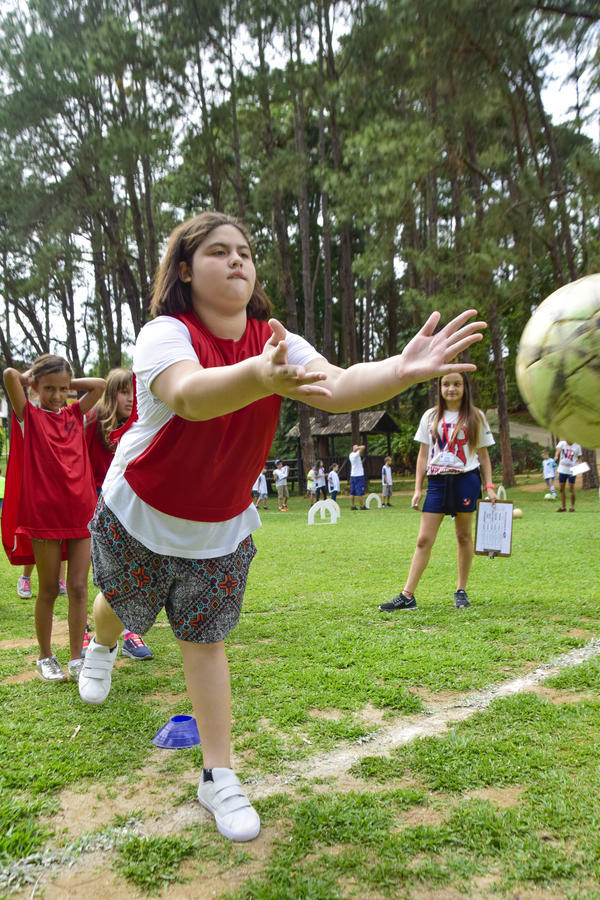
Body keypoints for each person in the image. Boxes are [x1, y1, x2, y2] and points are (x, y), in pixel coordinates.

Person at [75, 210, 485, 844]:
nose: (238, 260)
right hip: (142, 508)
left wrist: (400, 370)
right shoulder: (165, 332)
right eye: (218, 251)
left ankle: (219, 775)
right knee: (123, 606)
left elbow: (342, 385)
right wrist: (260, 377)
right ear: (185, 269)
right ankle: (98, 647)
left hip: (218, 524)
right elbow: (188, 395)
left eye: (245, 250)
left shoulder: (275, 338)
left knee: (204, 640)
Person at [2, 355, 105, 682]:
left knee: (77, 587)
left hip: (81, 510)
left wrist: (66, 381)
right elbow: (8, 375)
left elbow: (101, 386)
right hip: (44, 515)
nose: (58, 396)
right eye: (49, 389)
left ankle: (77, 658)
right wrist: (33, 377)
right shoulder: (27, 415)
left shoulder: (74, 412)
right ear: (34, 387)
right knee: (47, 587)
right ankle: (45, 656)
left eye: (63, 389)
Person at [379, 372, 496, 613]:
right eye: (446, 384)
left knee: (463, 536)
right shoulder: (430, 416)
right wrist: (417, 487)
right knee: (424, 539)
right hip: (437, 482)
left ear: (465, 387)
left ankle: (461, 590)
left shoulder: (476, 416)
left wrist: (490, 487)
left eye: (456, 384)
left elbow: (483, 456)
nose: (451, 388)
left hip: (466, 479)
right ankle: (407, 595)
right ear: (439, 387)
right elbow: (424, 454)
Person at [84, 367, 153, 660]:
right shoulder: (93, 423)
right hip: (98, 500)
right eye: (124, 391)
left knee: (135, 568)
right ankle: (95, 632)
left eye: (134, 392)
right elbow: (80, 464)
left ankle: (130, 631)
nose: (131, 398)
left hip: (133, 503)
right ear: (112, 394)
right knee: (103, 570)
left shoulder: (143, 423)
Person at [554, 438, 582, 512]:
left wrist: (578, 467)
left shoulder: (577, 446)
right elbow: (558, 450)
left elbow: (579, 458)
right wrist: (556, 456)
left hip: (572, 470)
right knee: (561, 488)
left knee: (571, 488)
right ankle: (563, 507)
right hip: (562, 469)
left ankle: (572, 507)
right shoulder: (562, 443)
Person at [349, 444, 366, 510]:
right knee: (359, 492)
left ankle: (353, 506)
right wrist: (357, 448)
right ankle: (362, 506)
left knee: (352, 492)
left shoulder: (350, 455)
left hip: (353, 475)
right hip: (359, 475)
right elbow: (363, 447)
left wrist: (355, 448)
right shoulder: (356, 454)